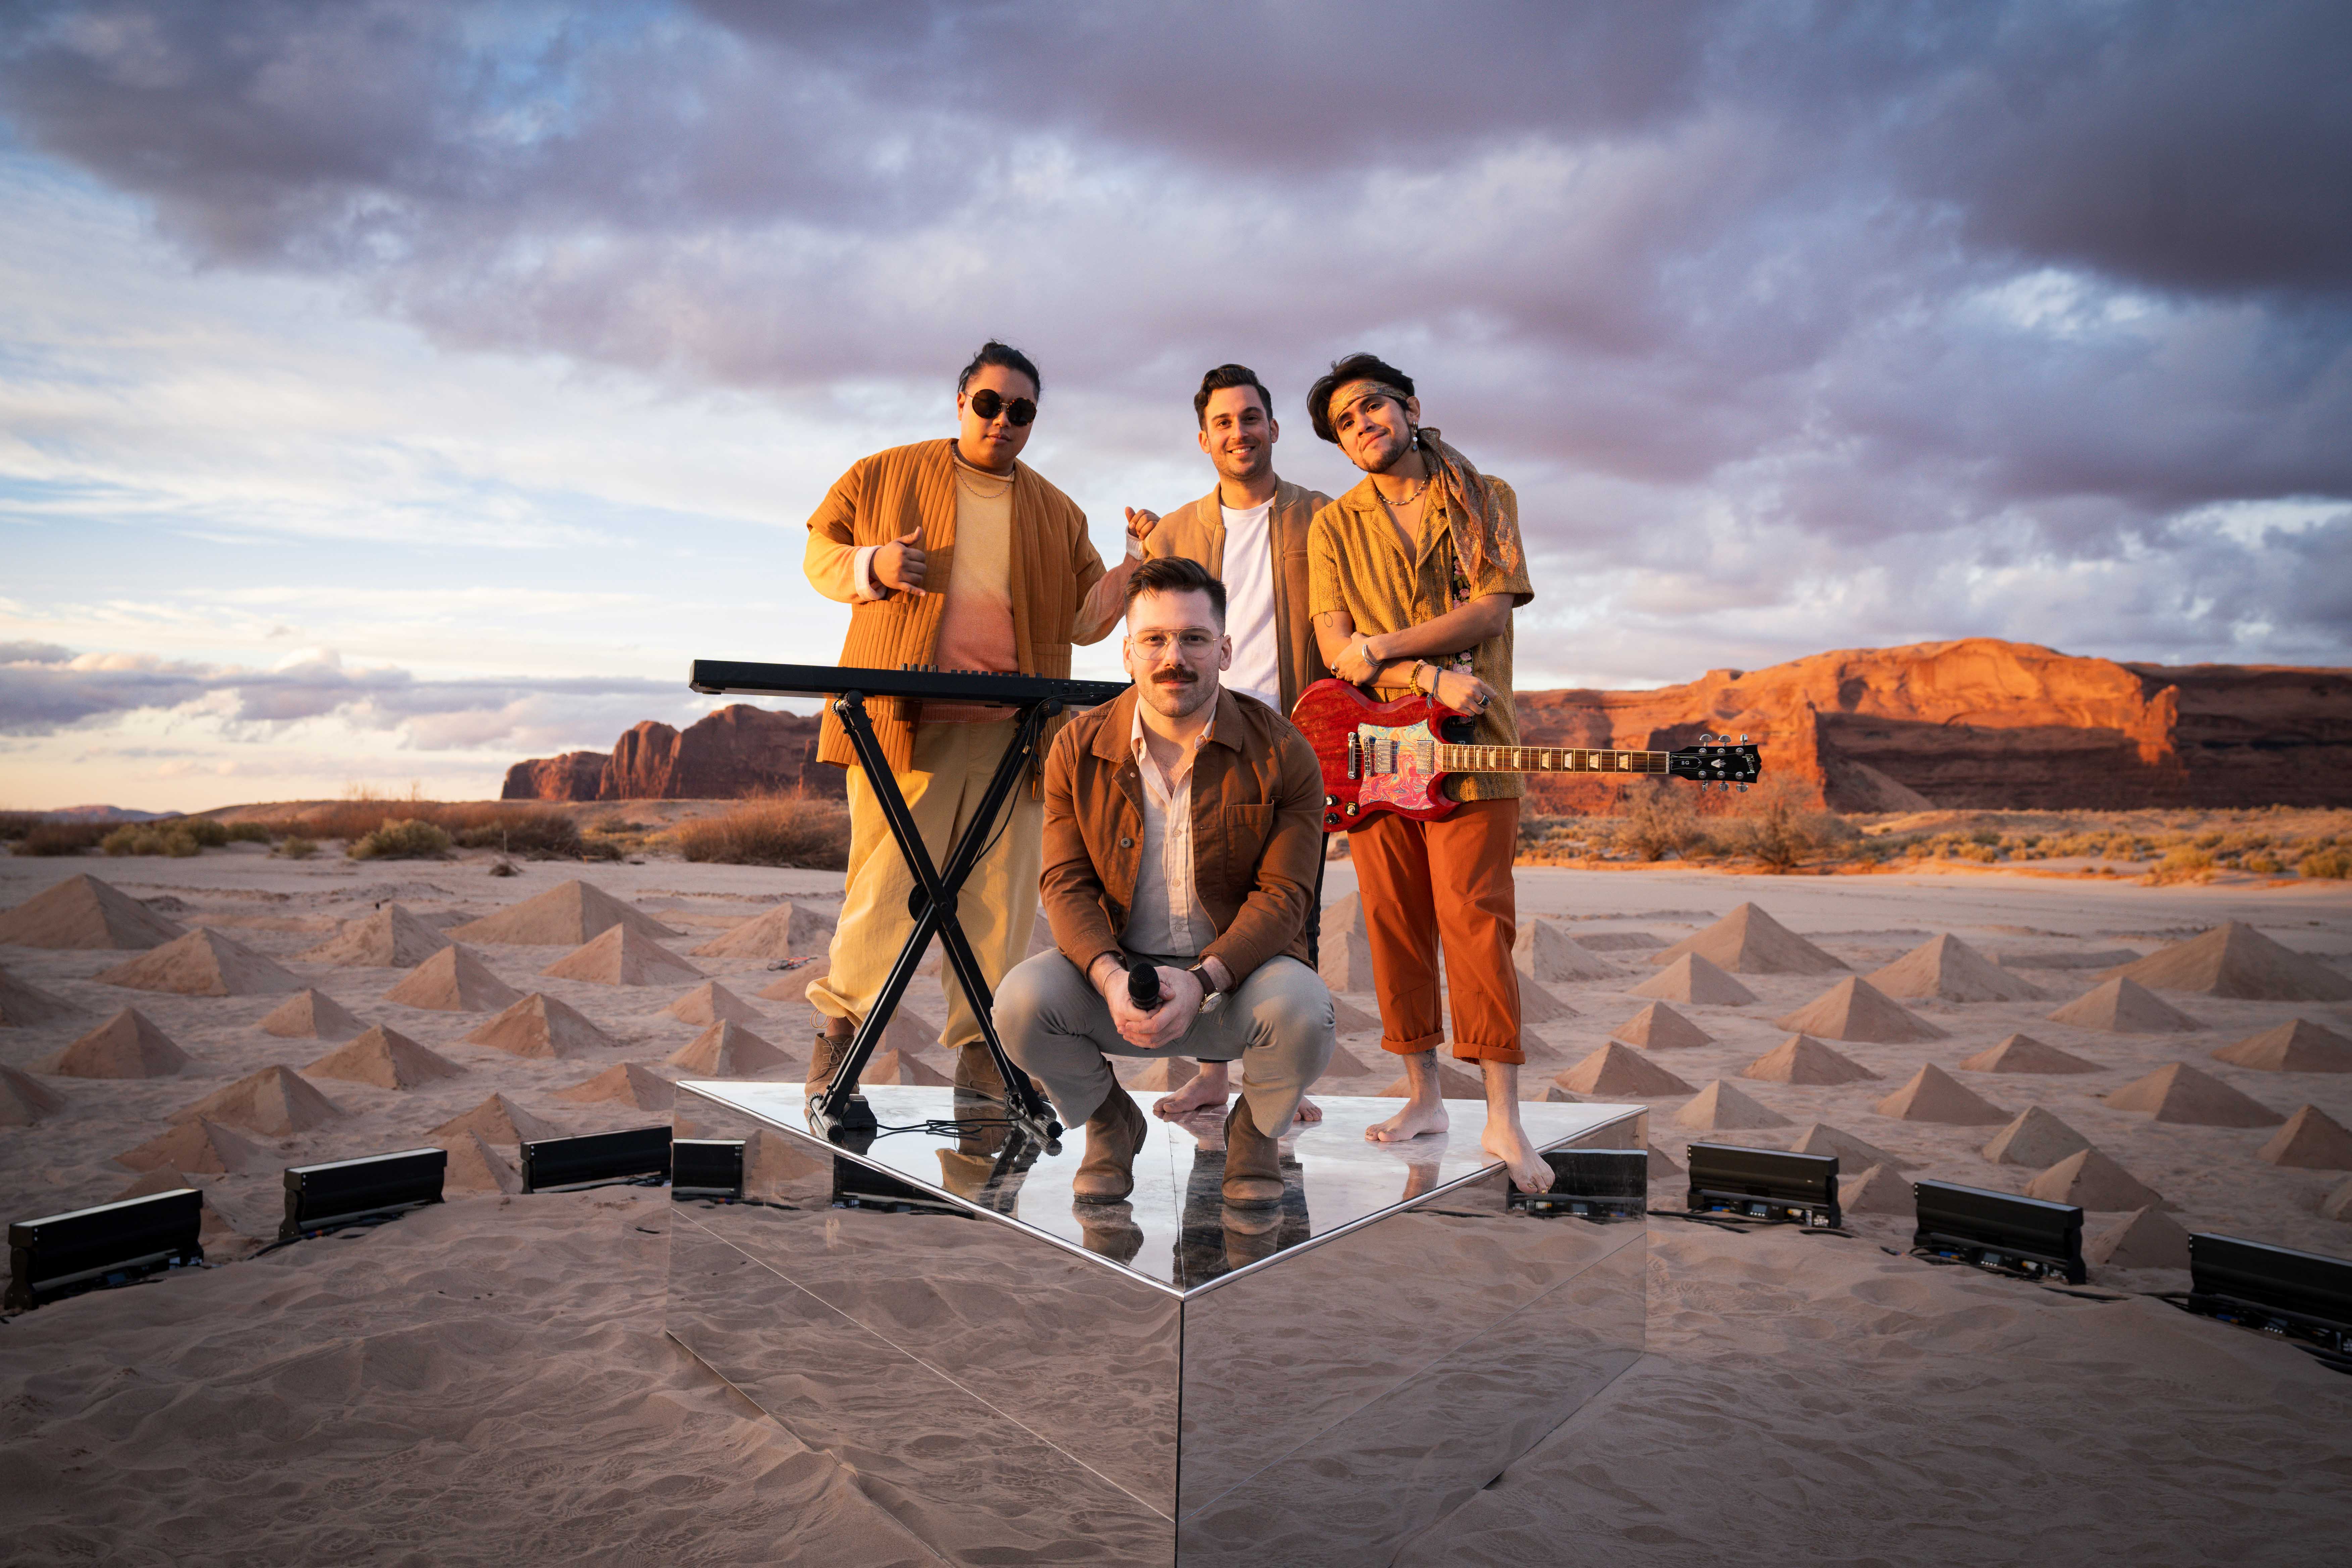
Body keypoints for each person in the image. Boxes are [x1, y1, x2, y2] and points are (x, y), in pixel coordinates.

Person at [801, 341, 1139, 1098]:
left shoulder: (1057, 510)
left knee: (999, 898)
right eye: (989, 403)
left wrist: (1128, 574)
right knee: (884, 885)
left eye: (1021, 410)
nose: (1003, 420)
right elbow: (820, 551)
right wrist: (873, 568)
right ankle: (840, 1038)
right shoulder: (883, 473)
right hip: (904, 721)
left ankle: (983, 1056)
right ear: (961, 403)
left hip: (1017, 735)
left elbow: (1084, 623)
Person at [995, 556, 1335, 1213]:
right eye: (1154, 639)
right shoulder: (1076, 746)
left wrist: (1204, 979)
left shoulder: (1283, 750)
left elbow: (1286, 897)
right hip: (1122, 982)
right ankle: (1110, 1121)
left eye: (1194, 638)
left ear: (1226, 649)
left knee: (1307, 1012)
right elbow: (1064, 882)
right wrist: (1108, 975)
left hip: (1235, 984)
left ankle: (1254, 1133)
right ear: (1127, 652)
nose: (1173, 656)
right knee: (1019, 1005)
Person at [1303, 352, 1552, 1195]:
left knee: (1478, 921)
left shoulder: (1489, 500)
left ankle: (1503, 1115)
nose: (1363, 425)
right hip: (1381, 751)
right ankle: (1423, 1097)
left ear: (1409, 406)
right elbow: (1338, 651)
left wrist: (1385, 647)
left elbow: (1490, 607)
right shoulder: (1333, 527)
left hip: (1478, 749)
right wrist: (1422, 676)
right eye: (1344, 422)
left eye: (1372, 407)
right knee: (1395, 924)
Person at [1123, 363, 1336, 1122]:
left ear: (1273, 429)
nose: (1238, 432)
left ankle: (1281, 1079)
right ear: (1204, 438)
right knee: (1201, 903)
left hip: (1295, 743)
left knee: (1290, 905)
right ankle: (1213, 1077)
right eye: (1223, 422)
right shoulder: (1176, 531)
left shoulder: (1324, 517)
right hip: (1203, 738)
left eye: (1251, 418)